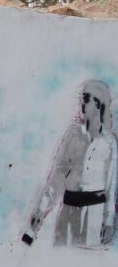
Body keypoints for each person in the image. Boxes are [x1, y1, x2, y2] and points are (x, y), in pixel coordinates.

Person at [22, 80, 117, 249]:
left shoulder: (110, 143)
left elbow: (112, 185)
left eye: (86, 98)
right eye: (82, 97)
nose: (82, 102)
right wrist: (41, 210)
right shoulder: (73, 135)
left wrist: (109, 221)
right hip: (69, 211)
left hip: (95, 216)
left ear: (98, 104)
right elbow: (57, 177)